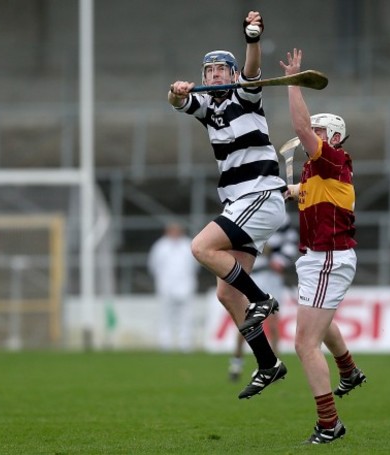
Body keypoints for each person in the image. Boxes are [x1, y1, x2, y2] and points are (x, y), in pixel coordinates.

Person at [168, 11, 288, 399]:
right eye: (210, 70)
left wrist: (252, 38)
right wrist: (177, 92)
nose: (215, 75)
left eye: (222, 69)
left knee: (201, 247)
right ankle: (268, 363)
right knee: (225, 294)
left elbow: (253, 70)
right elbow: (177, 103)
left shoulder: (245, 98)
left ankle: (262, 298)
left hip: (259, 196)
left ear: (233, 75)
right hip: (240, 202)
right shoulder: (210, 110)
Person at [280, 48, 366, 445]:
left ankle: (330, 424)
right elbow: (296, 190)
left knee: (303, 343)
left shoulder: (334, 158)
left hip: (328, 257)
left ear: (332, 136)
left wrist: (293, 83)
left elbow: (299, 131)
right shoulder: (318, 173)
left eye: (318, 130)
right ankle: (348, 370)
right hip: (318, 258)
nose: (309, 134)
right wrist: (277, 190)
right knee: (319, 325)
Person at [228, 213, 299, 381]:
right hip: (255, 275)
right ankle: (236, 362)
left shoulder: (282, 217)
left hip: (273, 276)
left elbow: (291, 242)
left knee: (273, 323)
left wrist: (280, 260)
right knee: (248, 321)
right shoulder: (251, 211)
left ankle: (274, 366)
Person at [147, 222, 199, 352]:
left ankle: (185, 343)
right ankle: (165, 343)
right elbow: (153, 266)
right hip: (166, 285)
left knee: (186, 315)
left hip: (186, 285)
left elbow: (195, 265)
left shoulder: (188, 244)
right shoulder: (160, 246)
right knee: (165, 315)